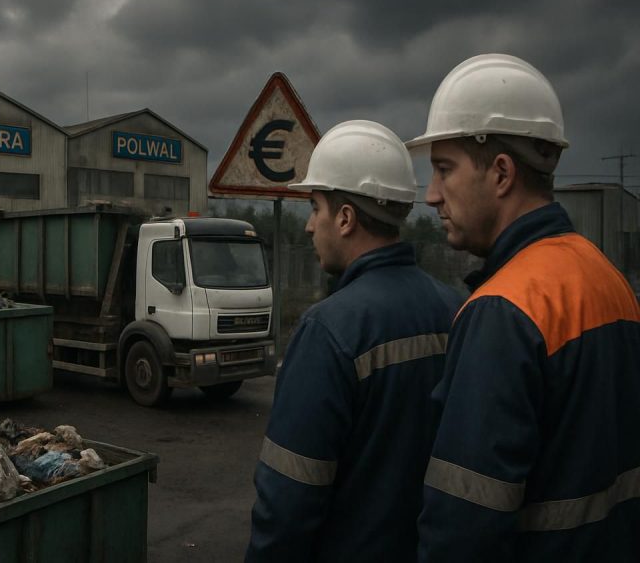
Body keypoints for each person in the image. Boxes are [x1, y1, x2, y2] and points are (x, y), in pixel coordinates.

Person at [408, 54, 640, 561]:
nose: (430, 196)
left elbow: (462, 530)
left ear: (502, 173)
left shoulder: (502, 311)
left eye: (444, 170)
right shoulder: (608, 279)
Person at [246, 121, 463, 562]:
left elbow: (287, 504)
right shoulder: (458, 307)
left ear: (345, 218)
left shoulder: (327, 330)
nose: (309, 227)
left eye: (315, 208)